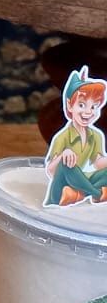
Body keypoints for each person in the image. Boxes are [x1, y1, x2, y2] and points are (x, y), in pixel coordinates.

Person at [45, 66, 107, 206]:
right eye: (82, 105)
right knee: (66, 165)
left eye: (93, 107)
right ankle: (96, 193)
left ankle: (79, 194)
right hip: (61, 186)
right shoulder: (63, 137)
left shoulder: (96, 135)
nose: (88, 112)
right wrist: (63, 156)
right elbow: (51, 171)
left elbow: (97, 163)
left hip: (79, 183)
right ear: (69, 106)